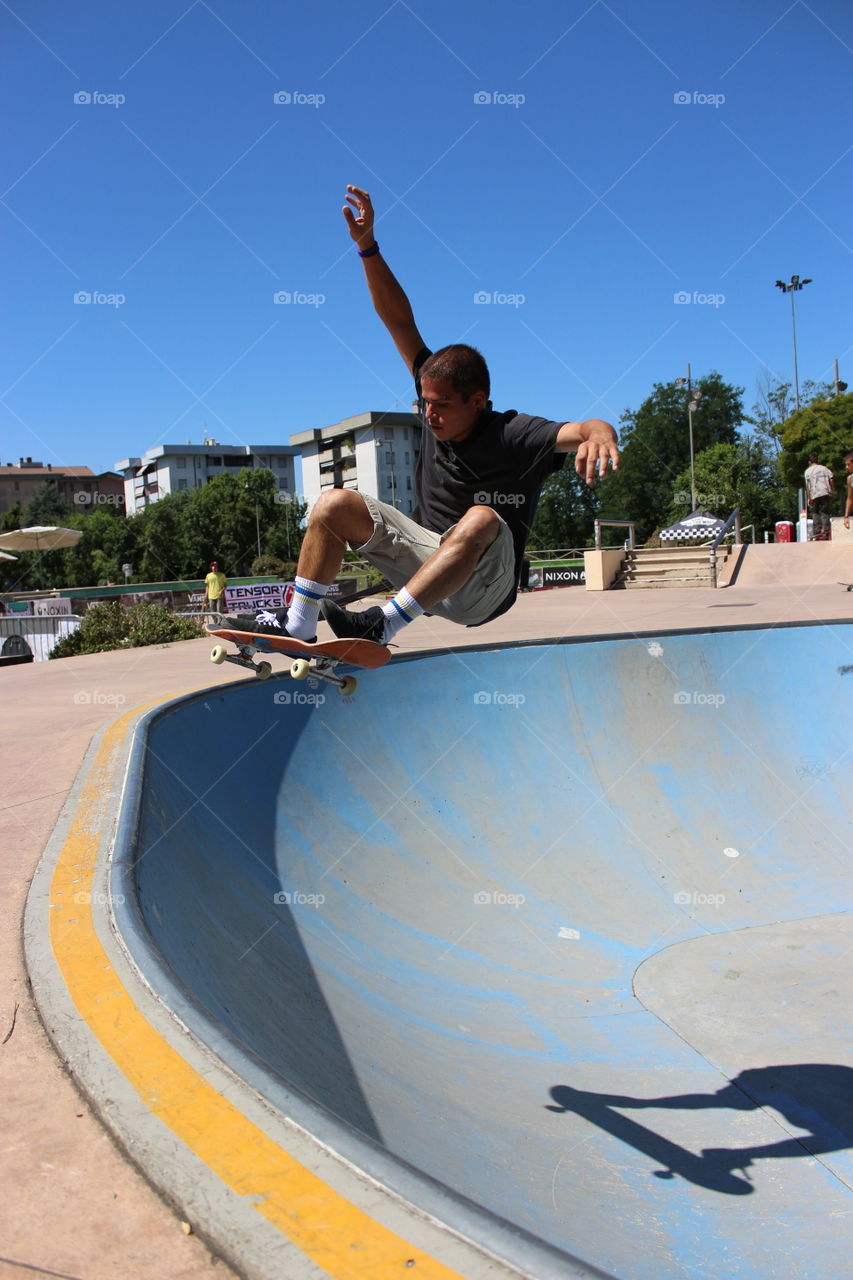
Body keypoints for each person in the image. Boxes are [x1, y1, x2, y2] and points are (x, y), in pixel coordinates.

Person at [228, 185, 618, 645]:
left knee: (483, 518)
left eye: (442, 405)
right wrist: (367, 247)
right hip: (426, 570)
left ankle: (382, 625)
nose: (429, 415)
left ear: (478, 400)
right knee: (333, 504)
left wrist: (601, 433)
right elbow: (399, 322)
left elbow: (585, 427)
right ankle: (298, 623)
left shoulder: (514, 433)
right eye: (423, 403)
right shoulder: (433, 391)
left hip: (486, 586)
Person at [803, 453, 834, 541]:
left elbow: (808, 486)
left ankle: (816, 533)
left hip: (814, 494)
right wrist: (832, 491)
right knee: (825, 513)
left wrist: (809, 498)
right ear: (817, 461)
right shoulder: (825, 469)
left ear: (809, 462)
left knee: (815, 512)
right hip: (825, 492)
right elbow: (831, 479)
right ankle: (825, 533)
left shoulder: (807, 471)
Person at [843, 451, 853, 532]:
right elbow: (850, 498)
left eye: (848, 464)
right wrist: (846, 516)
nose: (846, 467)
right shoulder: (850, 479)